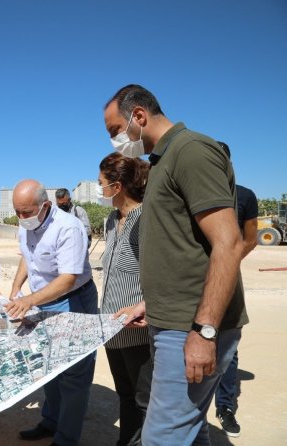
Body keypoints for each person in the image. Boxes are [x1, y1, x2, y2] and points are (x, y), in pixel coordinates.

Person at [105, 84, 247, 445]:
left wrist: (205, 332)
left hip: (190, 327)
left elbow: (228, 243)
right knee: (191, 429)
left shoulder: (191, 151)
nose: (114, 140)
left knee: (162, 436)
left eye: (114, 130)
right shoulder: (161, 162)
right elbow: (183, 251)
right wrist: (149, 303)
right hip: (171, 320)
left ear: (138, 116)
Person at [5, 179, 97, 446]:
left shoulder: (69, 227)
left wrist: (30, 300)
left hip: (72, 301)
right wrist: (16, 287)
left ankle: (66, 439)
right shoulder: (26, 225)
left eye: (26, 212)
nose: (21, 218)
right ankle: (51, 422)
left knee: (73, 374)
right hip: (41, 301)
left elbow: (68, 278)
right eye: (17, 212)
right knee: (49, 368)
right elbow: (28, 256)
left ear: (45, 205)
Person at [97, 153, 152, 446]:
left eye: (101, 183)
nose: (100, 190)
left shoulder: (147, 218)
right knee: (126, 395)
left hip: (137, 331)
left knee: (145, 401)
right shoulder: (110, 220)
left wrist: (145, 308)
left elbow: (159, 274)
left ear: (116, 187)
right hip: (112, 329)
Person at [212, 145, 259, 437]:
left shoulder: (244, 196)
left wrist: (226, 263)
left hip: (227, 280)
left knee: (227, 348)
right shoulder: (189, 192)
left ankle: (225, 406)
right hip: (189, 283)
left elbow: (251, 238)